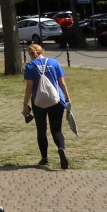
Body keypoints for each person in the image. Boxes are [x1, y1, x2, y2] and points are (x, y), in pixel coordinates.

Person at [21, 41, 70, 170]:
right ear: (42, 51)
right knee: (56, 129)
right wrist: (67, 98)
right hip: (56, 100)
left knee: (41, 130)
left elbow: (29, 88)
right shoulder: (54, 63)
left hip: (38, 102)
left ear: (30, 54)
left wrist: (25, 105)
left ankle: (44, 158)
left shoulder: (30, 66)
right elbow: (62, 83)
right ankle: (61, 148)